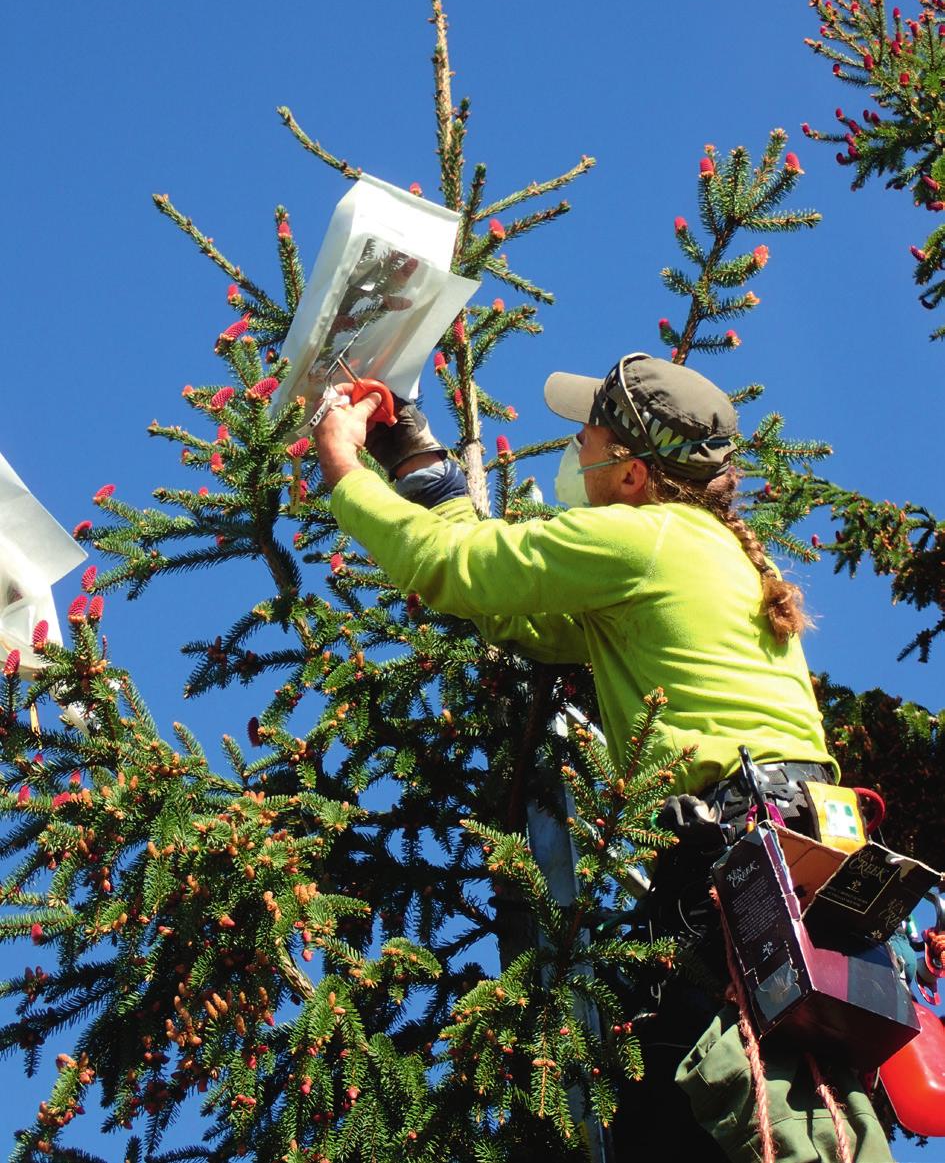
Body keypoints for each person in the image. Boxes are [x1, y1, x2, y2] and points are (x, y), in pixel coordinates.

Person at [313, 352, 892, 1162]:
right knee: (742, 1104)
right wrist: (412, 454)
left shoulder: (640, 539)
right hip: (796, 855)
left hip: (738, 866)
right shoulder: (703, 550)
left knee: (767, 1113)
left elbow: (452, 568)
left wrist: (342, 462)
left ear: (631, 471)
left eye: (589, 431)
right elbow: (507, 606)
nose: (577, 445)